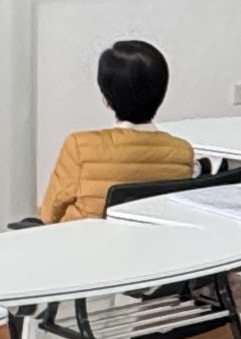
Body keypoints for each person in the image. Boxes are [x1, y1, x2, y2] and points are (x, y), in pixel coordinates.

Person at [39, 39, 195, 223]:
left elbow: (49, 215)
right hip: (151, 241)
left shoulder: (80, 147)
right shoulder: (182, 153)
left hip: (84, 240)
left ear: (106, 98)